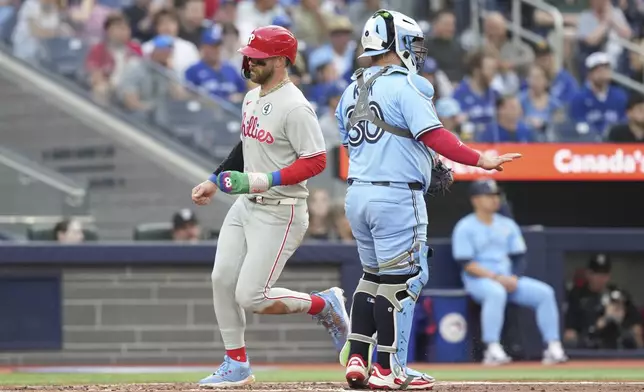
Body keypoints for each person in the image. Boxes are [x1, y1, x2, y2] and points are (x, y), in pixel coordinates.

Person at [335, 9, 521, 390]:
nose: (416, 51)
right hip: (395, 196)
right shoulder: (408, 85)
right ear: (394, 43)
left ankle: (358, 357)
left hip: (357, 193)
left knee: (372, 276)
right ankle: (388, 369)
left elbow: (352, 141)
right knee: (402, 282)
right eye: (412, 43)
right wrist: (479, 159)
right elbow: (434, 134)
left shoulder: (350, 88)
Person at [190, 25, 350, 388]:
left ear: (280, 61)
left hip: (282, 209)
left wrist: (261, 180)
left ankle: (323, 305)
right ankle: (236, 363)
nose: (248, 62)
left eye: (257, 58)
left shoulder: (296, 107)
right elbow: (245, 146)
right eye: (248, 56)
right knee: (221, 280)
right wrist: (214, 180)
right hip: (246, 205)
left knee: (252, 296)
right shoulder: (251, 97)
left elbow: (315, 161)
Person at [451, 178, 568, 366]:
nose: (495, 199)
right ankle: (492, 348)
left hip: (508, 279)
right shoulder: (465, 226)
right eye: (489, 195)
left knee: (545, 293)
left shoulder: (507, 224)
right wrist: (497, 278)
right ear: (476, 200)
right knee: (495, 293)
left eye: (496, 195)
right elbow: (466, 263)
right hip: (479, 281)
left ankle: (553, 346)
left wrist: (513, 277)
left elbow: (519, 257)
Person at [564, 254, 644, 349]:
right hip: (588, 350)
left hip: (617, 349)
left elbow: (636, 326)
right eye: (596, 274)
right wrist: (601, 322)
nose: (601, 279)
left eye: (604, 274)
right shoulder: (577, 296)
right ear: (588, 274)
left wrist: (620, 318)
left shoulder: (618, 294)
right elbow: (569, 334)